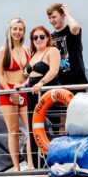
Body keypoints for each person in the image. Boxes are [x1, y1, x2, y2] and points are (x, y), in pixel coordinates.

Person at [17, 26, 61, 157]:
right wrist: (22, 85)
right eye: (35, 37)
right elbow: (30, 76)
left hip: (47, 93)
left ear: (48, 38)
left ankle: (54, 157)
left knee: (50, 127)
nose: (38, 39)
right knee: (33, 128)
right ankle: (37, 161)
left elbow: (53, 70)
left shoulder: (52, 50)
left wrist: (41, 83)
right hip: (32, 95)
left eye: (41, 36)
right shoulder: (33, 54)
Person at [0, 18, 32, 171]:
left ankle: (31, 164)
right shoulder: (3, 50)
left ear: (23, 32)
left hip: (23, 90)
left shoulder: (26, 49)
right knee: (13, 130)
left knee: (30, 128)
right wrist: (10, 92)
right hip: (7, 91)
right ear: (9, 30)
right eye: (15, 29)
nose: (17, 32)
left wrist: (25, 82)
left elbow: (30, 71)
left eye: (20, 29)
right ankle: (16, 167)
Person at [47, 3, 87, 87]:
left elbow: (75, 27)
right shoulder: (49, 38)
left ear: (62, 15)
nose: (51, 20)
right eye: (49, 18)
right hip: (58, 83)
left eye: (54, 17)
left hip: (76, 82)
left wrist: (67, 14)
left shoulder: (70, 31)